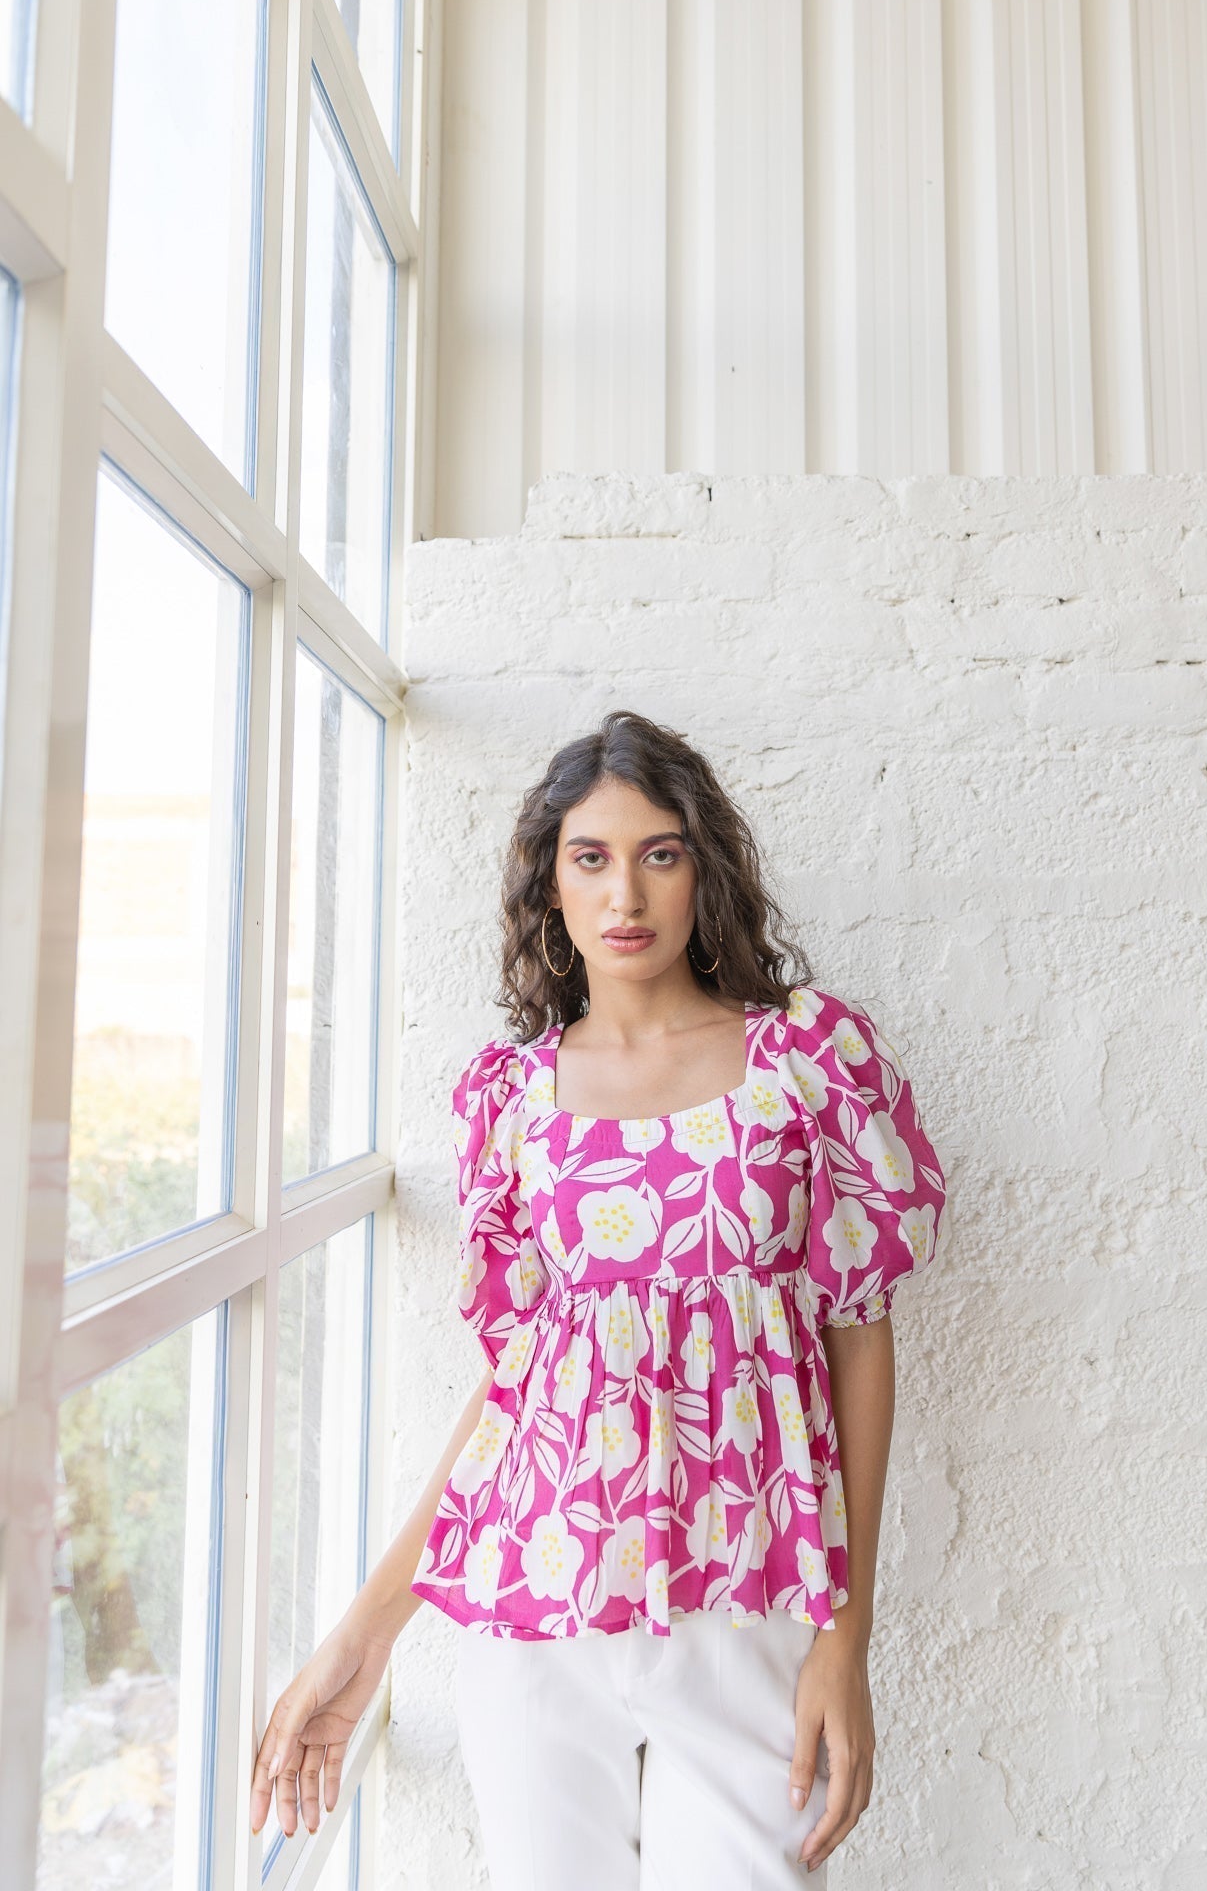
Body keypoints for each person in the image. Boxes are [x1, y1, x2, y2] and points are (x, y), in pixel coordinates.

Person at [249, 708, 947, 1886]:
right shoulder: (511, 1098)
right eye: (591, 857)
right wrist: (365, 1634)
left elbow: (858, 1338)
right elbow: (516, 1394)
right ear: (552, 885)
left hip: (743, 1605)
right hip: (537, 1614)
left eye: (659, 853)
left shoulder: (807, 1064)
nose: (626, 892)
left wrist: (845, 1637)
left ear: (701, 869)